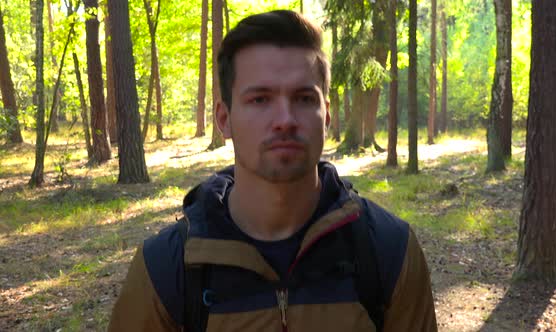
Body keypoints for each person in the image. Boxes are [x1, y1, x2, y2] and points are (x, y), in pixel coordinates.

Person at [109, 10, 437, 332]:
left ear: (326, 117)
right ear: (224, 120)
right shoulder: (166, 270)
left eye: (304, 98)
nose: (285, 119)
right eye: (260, 99)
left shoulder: (390, 253)